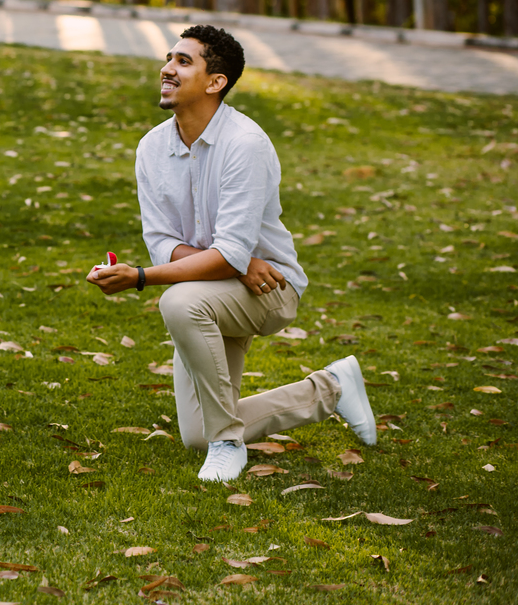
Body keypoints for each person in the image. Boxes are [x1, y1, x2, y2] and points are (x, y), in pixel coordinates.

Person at [86, 25, 376, 482]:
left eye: (184, 62)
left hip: (270, 288)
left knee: (178, 301)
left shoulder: (245, 143)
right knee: (194, 436)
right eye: (169, 58)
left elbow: (225, 255)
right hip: (217, 287)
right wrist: (229, 262)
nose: (167, 68)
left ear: (216, 82)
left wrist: (142, 277)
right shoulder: (151, 148)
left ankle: (227, 443)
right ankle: (331, 388)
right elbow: (162, 241)